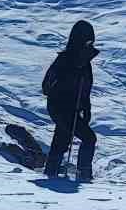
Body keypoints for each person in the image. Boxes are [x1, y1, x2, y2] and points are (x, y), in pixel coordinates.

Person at [41, 20, 99, 181]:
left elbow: (86, 89)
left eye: (91, 41)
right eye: (87, 40)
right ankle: (83, 174)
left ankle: (51, 171)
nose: (90, 44)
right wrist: (63, 93)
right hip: (60, 107)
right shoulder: (65, 60)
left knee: (62, 139)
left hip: (72, 109)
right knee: (89, 138)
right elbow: (47, 86)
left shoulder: (85, 63)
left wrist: (86, 109)